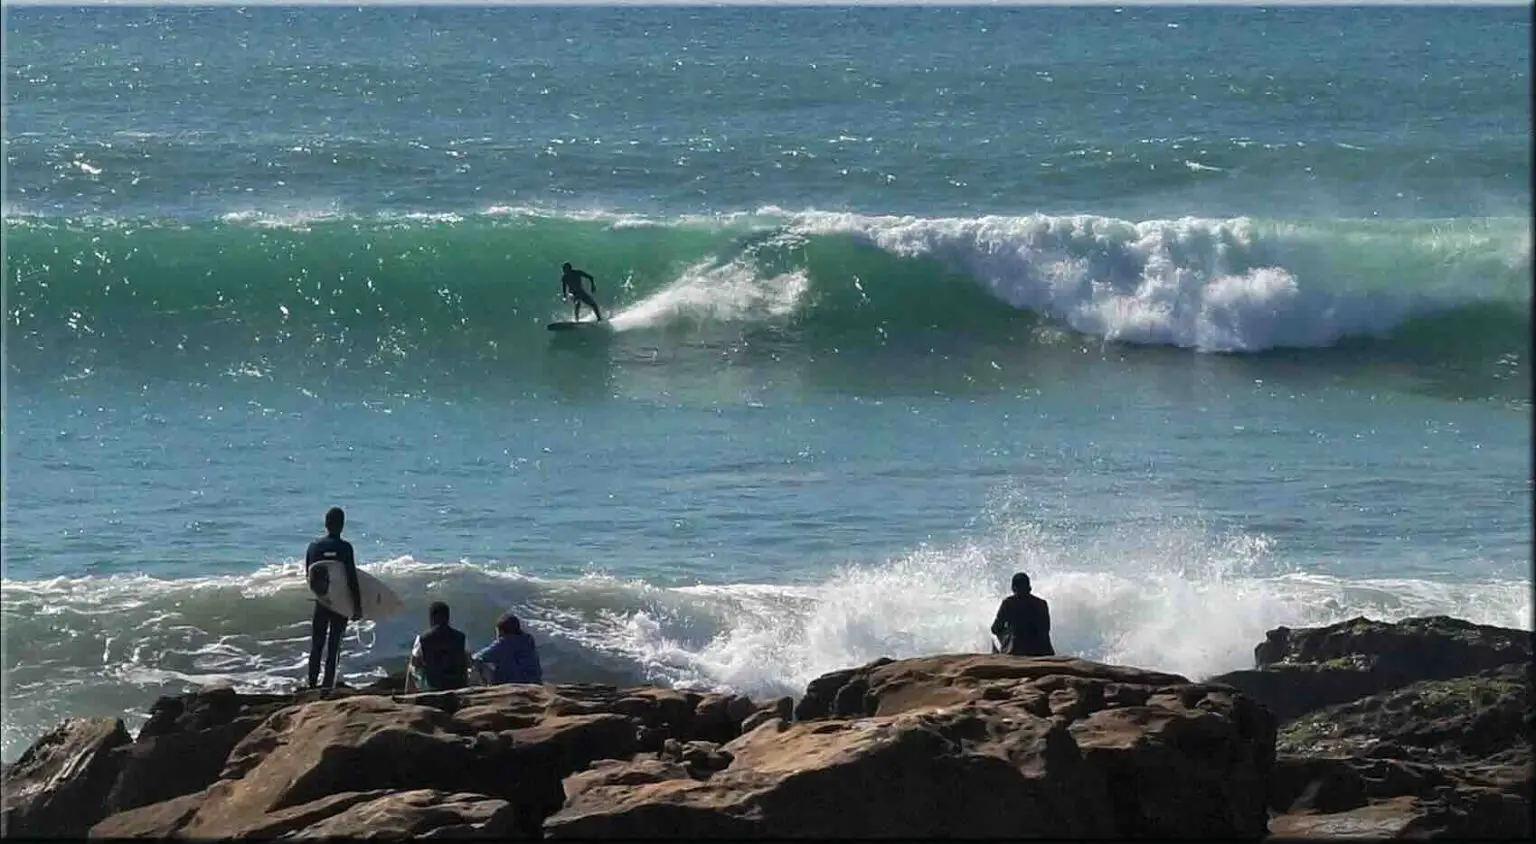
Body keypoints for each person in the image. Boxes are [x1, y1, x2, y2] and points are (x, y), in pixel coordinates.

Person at [306, 507, 362, 690]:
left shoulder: (313, 547)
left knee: (317, 645)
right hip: (340, 604)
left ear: (326, 524)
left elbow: (309, 575)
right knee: (334, 647)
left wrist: (321, 595)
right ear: (342, 525)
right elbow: (351, 578)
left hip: (322, 602)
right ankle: (327, 686)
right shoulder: (345, 548)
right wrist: (357, 606)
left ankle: (312, 684)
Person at [404, 601, 470, 693]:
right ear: (448, 618)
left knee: (412, 666)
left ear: (432, 618)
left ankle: (408, 694)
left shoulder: (422, 639)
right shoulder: (461, 637)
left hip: (433, 687)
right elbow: (468, 661)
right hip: (458, 685)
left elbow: (414, 663)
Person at [990, 572, 1054, 657]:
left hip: (1016, 650)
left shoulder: (1008, 603)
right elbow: (1046, 629)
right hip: (1043, 651)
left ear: (1013, 588)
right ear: (1029, 588)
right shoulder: (1042, 604)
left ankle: (1006, 650)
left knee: (998, 637)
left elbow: (994, 629)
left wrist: (1007, 632)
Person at [471, 612, 544, 685]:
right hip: (535, 682)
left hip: (514, 684)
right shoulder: (528, 640)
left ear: (501, 631)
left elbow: (477, 657)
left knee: (481, 663)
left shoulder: (503, 644)